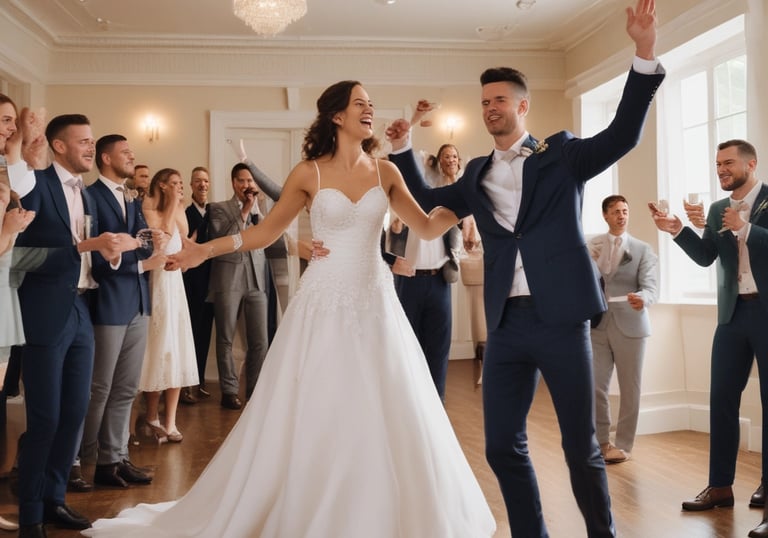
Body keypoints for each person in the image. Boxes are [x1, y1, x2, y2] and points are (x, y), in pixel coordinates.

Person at [83, 79, 495, 538]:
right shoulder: (308, 173)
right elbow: (265, 233)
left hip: (375, 301)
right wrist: (205, 250)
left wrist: (472, 201)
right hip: (322, 302)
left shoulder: (386, 172)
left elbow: (427, 226)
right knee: (318, 401)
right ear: (336, 116)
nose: (369, 109)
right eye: (360, 103)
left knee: (387, 400)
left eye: (371, 104)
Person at [386, 2, 663, 535]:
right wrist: (402, 147)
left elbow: (623, 133)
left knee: (580, 446)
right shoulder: (474, 173)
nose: (489, 108)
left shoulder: (563, 155)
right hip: (506, 325)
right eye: (484, 101)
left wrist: (644, 51)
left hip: (561, 319)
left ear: (523, 105)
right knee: (500, 445)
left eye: (499, 100)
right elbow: (426, 200)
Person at [6, 113, 141, 538]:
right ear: (59, 146)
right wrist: (83, 246)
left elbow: (93, 254)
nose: (90, 147)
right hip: (44, 313)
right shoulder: (35, 184)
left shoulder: (86, 192)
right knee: (45, 418)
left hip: (83, 310)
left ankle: (55, 499)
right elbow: (18, 255)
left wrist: (112, 252)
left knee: (75, 414)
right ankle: (31, 516)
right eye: (83, 141)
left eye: (92, 141)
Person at [648, 139, 768, 538]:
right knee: (721, 399)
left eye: (728, 163)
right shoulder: (718, 209)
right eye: (718, 165)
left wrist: (746, 228)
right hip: (732, 315)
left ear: (751, 164)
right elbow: (705, 257)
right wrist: (677, 229)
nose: (721, 170)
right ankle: (719, 487)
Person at [79, 135, 166, 488]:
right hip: (109, 304)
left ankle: (114, 459)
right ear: (106, 157)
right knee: (99, 388)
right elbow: (96, 258)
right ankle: (82, 458)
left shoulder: (131, 197)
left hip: (138, 303)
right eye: (125, 152)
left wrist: (142, 250)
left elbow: (142, 244)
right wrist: (141, 262)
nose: (132, 156)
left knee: (127, 389)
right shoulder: (90, 196)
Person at [385, 139, 464, 400]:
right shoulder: (401, 202)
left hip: (440, 280)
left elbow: (463, 231)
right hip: (409, 281)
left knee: (439, 349)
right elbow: (387, 234)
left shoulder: (445, 201)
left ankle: (437, 404)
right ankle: (410, 403)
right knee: (408, 345)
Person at [588, 194, 658, 464]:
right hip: (597, 323)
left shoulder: (642, 249)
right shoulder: (591, 246)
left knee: (630, 388)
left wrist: (643, 298)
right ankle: (601, 442)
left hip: (632, 323)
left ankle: (624, 445)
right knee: (596, 386)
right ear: (605, 215)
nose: (621, 216)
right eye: (616, 211)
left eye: (625, 211)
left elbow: (651, 287)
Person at [137, 168, 198, 444]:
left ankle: (171, 421)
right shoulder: (148, 206)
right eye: (174, 183)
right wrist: (173, 202)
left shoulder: (180, 208)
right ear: (161, 185)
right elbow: (163, 232)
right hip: (156, 282)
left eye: (180, 183)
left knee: (177, 349)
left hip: (175, 284)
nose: (179, 187)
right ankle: (151, 416)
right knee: (158, 348)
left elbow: (183, 239)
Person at [206, 163, 272, 410]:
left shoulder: (259, 208)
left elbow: (269, 236)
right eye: (242, 181)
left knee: (260, 340)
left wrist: (257, 211)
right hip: (228, 278)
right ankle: (229, 391)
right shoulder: (218, 208)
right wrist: (244, 210)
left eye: (250, 181)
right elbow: (222, 238)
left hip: (256, 279)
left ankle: (254, 391)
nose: (247, 185)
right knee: (225, 337)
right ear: (234, 182)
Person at [180, 166, 214, 405]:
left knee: (205, 335)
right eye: (198, 181)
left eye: (206, 181)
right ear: (191, 185)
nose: (202, 185)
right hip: (190, 284)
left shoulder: (215, 212)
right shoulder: (184, 214)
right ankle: (185, 385)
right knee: (189, 334)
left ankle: (199, 381)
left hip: (212, 284)